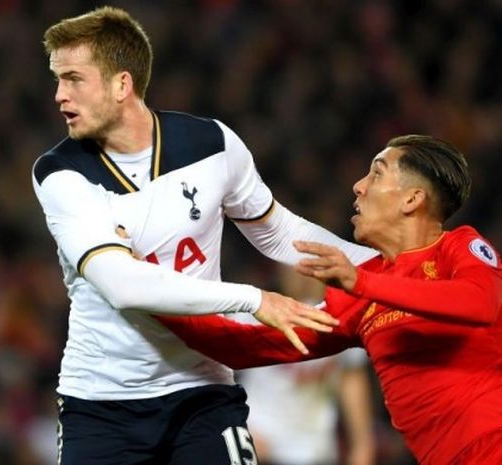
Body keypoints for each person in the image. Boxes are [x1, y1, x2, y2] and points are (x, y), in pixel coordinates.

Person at [32, 6, 375, 465]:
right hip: (101, 404)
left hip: (201, 390)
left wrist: (388, 270)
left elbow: (278, 232)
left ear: (121, 84)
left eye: (73, 78)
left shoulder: (212, 144)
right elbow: (124, 285)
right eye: (58, 79)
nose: (59, 95)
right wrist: (254, 300)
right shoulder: (61, 174)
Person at [157, 135, 502, 465]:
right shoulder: (361, 296)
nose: (359, 185)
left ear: (412, 200)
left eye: (377, 173)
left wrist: (362, 281)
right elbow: (246, 346)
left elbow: (479, 303)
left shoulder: (456, 248)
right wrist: (152, 295)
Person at [235, 266, 375, 465]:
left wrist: (363, 447)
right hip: (259, 439)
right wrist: (238, 431)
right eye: (290, 266)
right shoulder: (254, 314)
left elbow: (351, 381)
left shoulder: (343, 323)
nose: (299, 275)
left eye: (309, 267)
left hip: (314, 448)